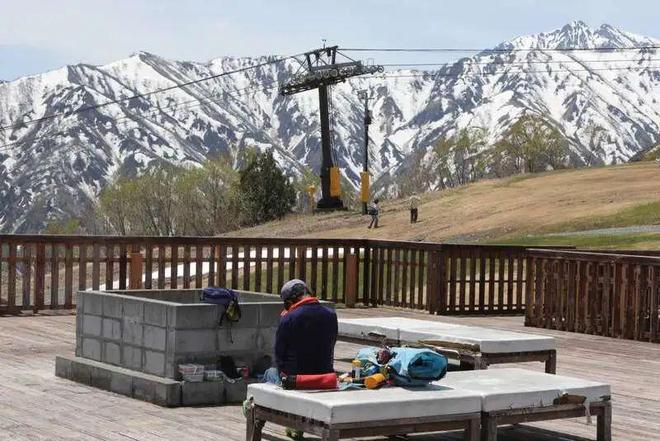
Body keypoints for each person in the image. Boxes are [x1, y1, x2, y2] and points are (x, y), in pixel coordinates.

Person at [259, 279, 338, 441]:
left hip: (295, 380)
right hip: (324, 378)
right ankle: (295, 424)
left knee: (269, 373)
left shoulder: (289, 318)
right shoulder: (331, 315)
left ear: (290, 301)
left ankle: (253, 411)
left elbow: (279, 355)